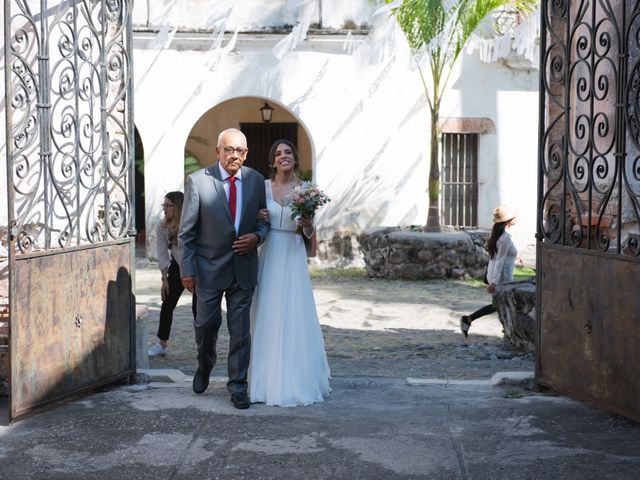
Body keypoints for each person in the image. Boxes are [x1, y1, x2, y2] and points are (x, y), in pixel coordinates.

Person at [178, 128, 269, 409]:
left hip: (243, 269)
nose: (234, 156)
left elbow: (263, 221)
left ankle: (238, 386)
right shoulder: (198, 181)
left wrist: (257, 237)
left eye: (240, 151)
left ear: (246, 154)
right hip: (207, 270)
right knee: (206, 326)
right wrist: (187, 270)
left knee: (240, 332)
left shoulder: (255, 181)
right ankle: (204, 365)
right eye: (228, 149)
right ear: (218, 151)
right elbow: (186, 233)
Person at [249, 139, 331, 406]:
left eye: (288, 153)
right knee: (267, 313)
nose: (283, 156)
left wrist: (307, 225)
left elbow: (309, 233)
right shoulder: (261, 188)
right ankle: (265, 381)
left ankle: (295, 379)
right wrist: (258, 218)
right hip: (270, 251)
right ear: (272, 161)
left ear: (295, 158)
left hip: (293, 254)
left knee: (293, 313)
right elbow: (251, 220)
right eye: (278, 153)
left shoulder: (306, 190)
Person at [460, 205, 523, 337]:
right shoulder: (504, 238)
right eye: (513, 216)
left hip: (497, 275)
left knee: (499, 304)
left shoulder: (499, 236)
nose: (516, 217)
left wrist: (516, 255)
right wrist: (494, 283)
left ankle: (470, 320)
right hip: (502, 278)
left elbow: (499, 256)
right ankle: (469, 319)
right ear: (508, 220)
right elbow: (499, 261)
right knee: (500, 304)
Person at [148, 191, 196, 357]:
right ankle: (162, 343)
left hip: (196, 266)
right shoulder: (163, 226)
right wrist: (164, 280)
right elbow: (162, 254)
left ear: (178, 207)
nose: (165, 209)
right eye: (164, 205)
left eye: (168, 205)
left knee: (199, 308)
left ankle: (202, 344)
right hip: (177, 266)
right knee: (167, 303)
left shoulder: (191, 222)